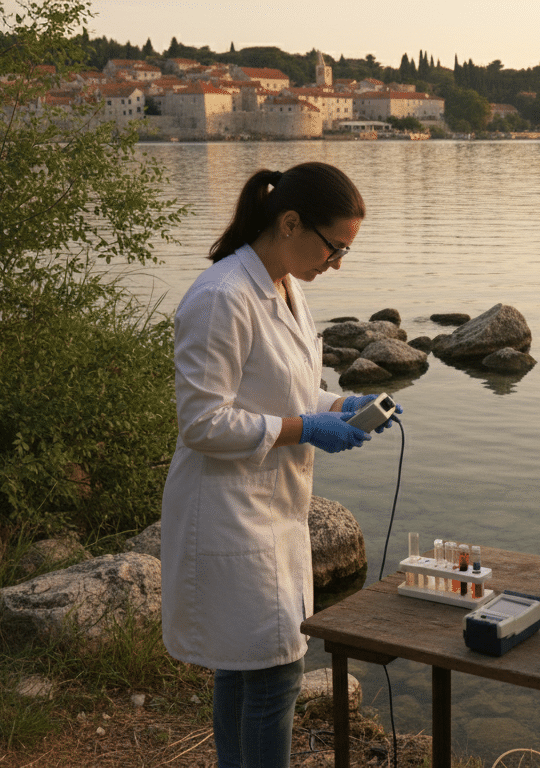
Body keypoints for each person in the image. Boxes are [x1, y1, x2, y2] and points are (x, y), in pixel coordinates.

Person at [160, 161, 397, 768]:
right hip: (229, 512)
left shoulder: (287, 286)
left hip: (271, 510)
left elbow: (285, 391)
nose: (338, 263)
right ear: (290, 222)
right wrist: (303, 429)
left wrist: (338, 405)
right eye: (334, 247)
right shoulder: (222, 297)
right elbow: (202, 422)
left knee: (245, 671)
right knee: (272, 677)